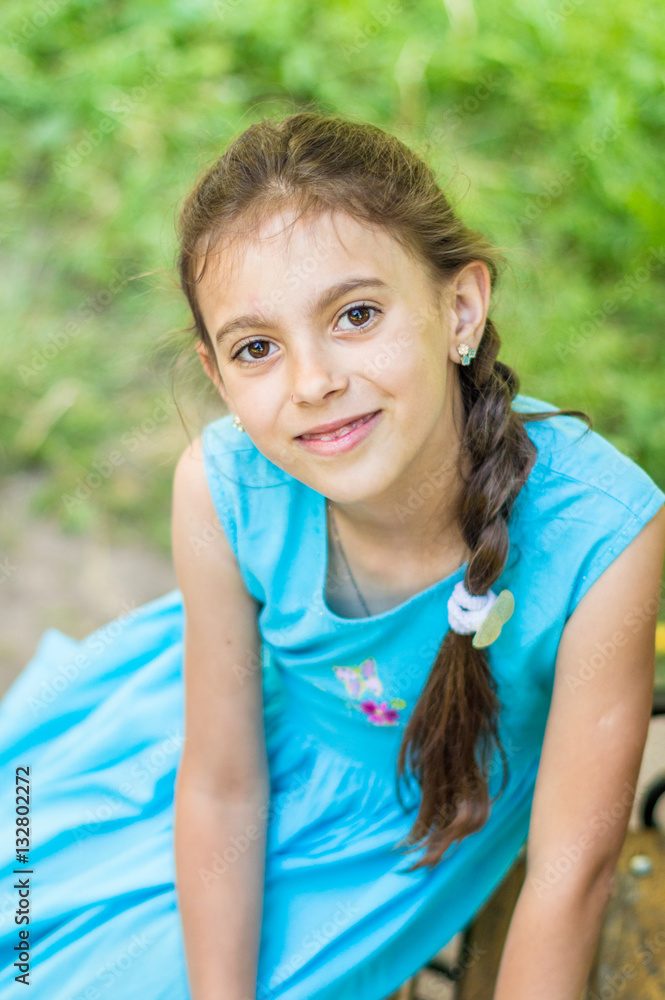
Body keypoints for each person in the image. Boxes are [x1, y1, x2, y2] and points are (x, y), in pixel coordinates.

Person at [1, 111, 664, 1000]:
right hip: (215, 750)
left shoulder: (604, 538)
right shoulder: (222, 486)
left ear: (458, 307)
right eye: (257, 348)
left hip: (408, 820)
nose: (312, 381)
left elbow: (567, 873)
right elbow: (222, 783)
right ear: (217, 373)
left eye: (355, 314)